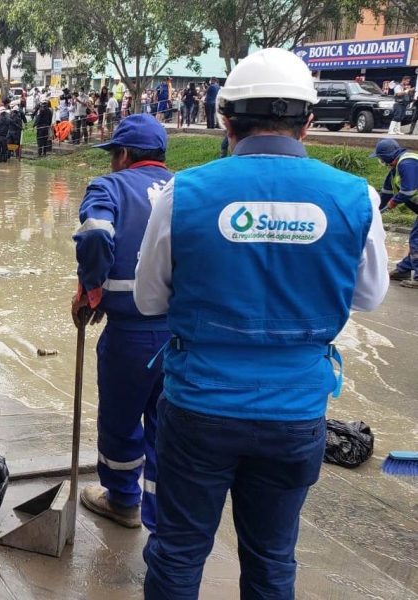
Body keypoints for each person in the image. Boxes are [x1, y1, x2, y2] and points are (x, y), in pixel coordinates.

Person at [134, 48, 389, 599]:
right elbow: (369, 296)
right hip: (295, 415)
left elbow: (150, 300)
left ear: (225, 120)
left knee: (178, 552)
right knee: (273, 559)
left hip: (199, 408)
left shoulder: (183, 192)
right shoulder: (358, 198)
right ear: (310, 121)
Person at [73, 114, 173, 532]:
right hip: (180, 336)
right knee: (164, 426)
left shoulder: (109, 186)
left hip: (130, 333)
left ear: (124, 155)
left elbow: (96, 233)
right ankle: (159, 516)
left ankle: (123, 500)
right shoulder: (188, 188)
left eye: (113, 154)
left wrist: (92, 288)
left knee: (120, 419)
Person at [371, 138, 418, 288]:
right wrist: (373, 212)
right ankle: (403, 270)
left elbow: (409, 190)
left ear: (387, 156)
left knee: (416, 240)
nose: (380, 161)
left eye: (380, 157)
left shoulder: (407, 163)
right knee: (415, 238)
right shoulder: (395, 170)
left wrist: (394, 201)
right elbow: (385, 195)